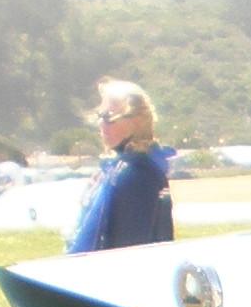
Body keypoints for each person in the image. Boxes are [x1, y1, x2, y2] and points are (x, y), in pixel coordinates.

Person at [70, 80, 174, 252]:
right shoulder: (117, 168)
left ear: (137, 121)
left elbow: (129, 248)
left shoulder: (138, 174)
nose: (101, 125)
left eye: (108, 118)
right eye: (100, 117)